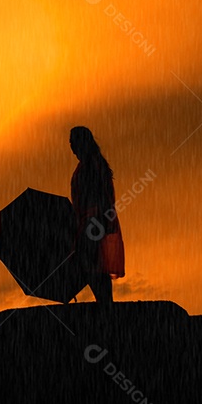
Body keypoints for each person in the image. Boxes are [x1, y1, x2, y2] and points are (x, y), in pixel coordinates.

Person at [69, 126, 125, 305]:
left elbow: (99, 195)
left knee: (92, 264)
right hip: (92, 220)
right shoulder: (91, 163)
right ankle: (105, 303)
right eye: (70, 142)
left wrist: (95, 221)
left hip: (94, 220)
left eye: (73, 141)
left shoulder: (92, 164)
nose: (71, 146)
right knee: (94, 264)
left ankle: (105, 303)